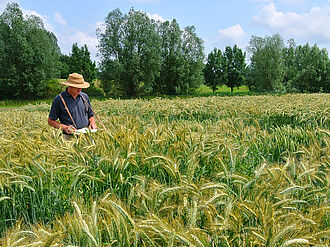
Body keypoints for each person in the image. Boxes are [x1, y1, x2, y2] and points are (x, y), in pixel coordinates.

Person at [48, 73, 97, 137]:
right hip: (69, 138)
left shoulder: (84, 97)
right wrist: (65, 128)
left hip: (87, 135)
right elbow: (50, 121)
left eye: (81, 86)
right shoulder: (59, 99)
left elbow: (90, 115)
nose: (80, 89)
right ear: (70, 86)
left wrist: (92, 123)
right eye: (77, 87)